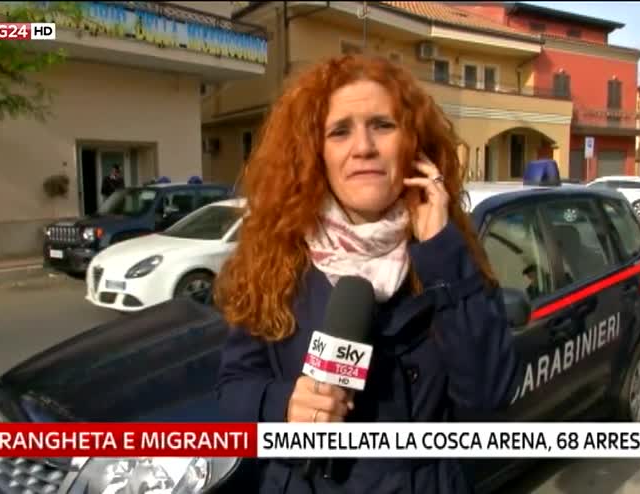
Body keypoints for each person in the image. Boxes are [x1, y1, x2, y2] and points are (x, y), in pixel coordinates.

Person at [213, 54, 518, 494]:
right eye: (340, 131)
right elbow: (231, 393)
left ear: (413, 145)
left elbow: (490, 396)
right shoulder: (274, 257)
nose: (363, 147)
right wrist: (284, 406)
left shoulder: (449, 253)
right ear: (316, 154)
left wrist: (441, 253)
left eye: (382, 125)